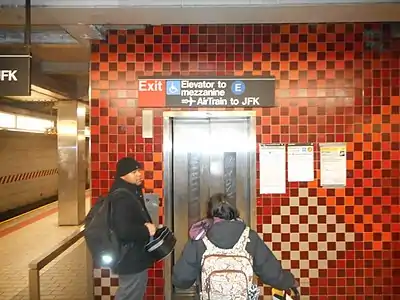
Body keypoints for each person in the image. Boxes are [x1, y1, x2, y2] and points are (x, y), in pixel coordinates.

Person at [172, 193, 298, 298]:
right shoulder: (249, 237)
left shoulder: (200, 238)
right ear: (234, 211)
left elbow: (181, 280)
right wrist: (290, 281)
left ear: (210, 212)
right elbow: (271, 274)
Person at [111, 157, 157, 300]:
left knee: (133, 293)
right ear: (123, 175)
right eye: (134, 172)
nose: (139, 174)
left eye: (139, 170)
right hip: (130, 258)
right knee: (129, 294)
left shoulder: (132, 191)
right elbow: (123, 231)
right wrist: (146, 230)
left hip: (134, 256)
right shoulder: (122, 197)